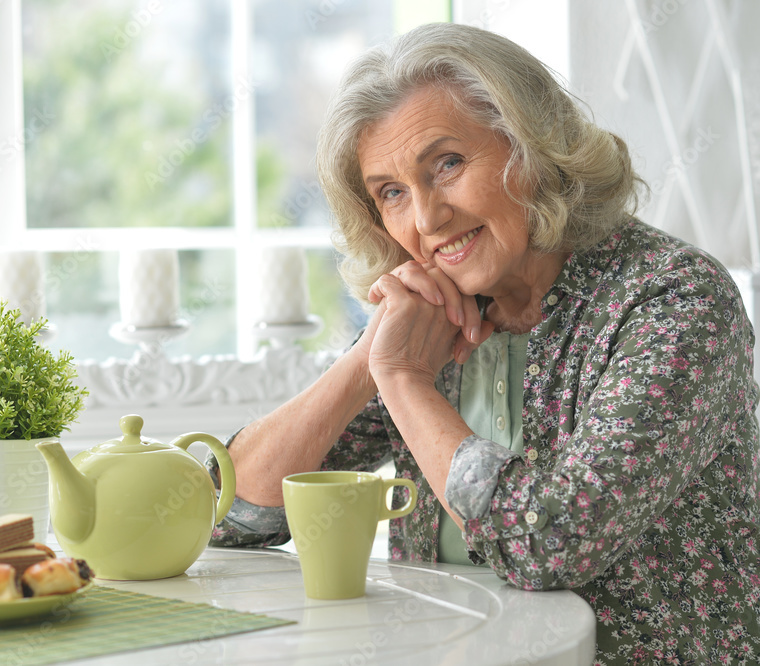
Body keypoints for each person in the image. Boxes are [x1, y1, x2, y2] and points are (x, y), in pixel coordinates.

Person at [206, 22, 760, 664]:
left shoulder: (672, 298)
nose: (426, 218)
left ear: (537, 147)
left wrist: (407, 384)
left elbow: (552, 541)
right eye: (391, 193)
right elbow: (232, 517)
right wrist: (369, 362)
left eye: (447, 164)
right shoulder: (428, 317)